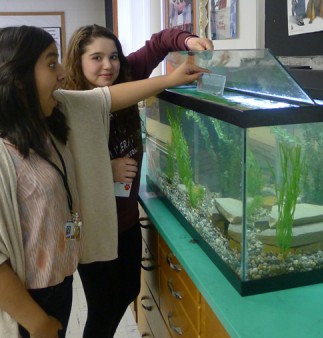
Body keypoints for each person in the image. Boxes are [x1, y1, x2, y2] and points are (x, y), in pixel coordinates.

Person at [0, 25, 206, 338]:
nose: (63, 74)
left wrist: (172, 79)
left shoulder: (47, 115)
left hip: (57, 281)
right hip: (23, 302)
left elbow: (106, 99)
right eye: (52, 64)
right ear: (16, 78)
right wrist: (36, 322)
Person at [63, 24, 213, 337]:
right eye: (97, 58)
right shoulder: (70, 103)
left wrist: (189, 41)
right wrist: (108, 169)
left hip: (127, 219)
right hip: (93, 226)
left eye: (113, 56)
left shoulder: (127, 75)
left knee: (129, 288)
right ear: (77, 62)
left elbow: (159, 42)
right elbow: (60, 172)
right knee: (103, 307)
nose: (108, 65)